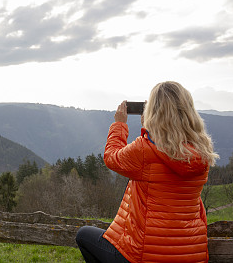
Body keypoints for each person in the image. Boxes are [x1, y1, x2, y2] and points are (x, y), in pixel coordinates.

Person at [76, 81, 219, 263]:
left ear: (154, 111)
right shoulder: (203, 152)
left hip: (144, 256)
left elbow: (112, 158)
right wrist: (151, 129)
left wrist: (119, 124)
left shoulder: (145, 150)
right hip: (191, 255)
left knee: (84, 235)